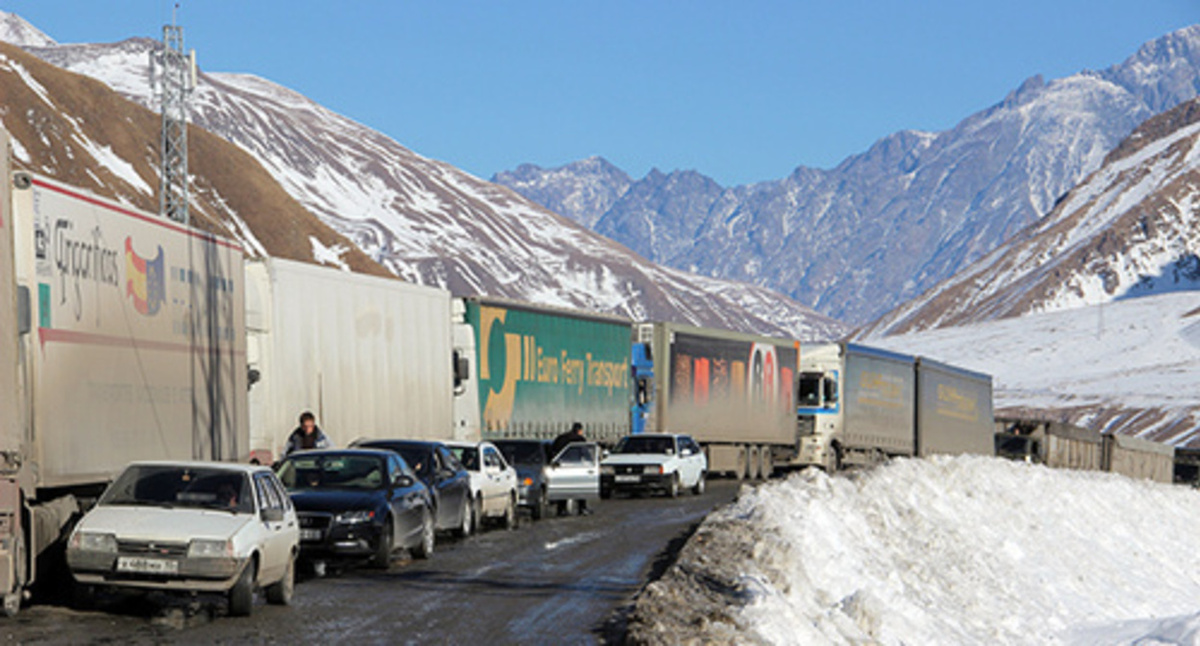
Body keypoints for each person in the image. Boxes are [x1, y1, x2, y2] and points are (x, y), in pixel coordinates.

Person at [549, 422, 592, 515]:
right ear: (580, 430)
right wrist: (590, 462)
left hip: (561, 467)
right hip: (575, 466)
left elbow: (552, 451)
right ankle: (582, 508)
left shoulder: (561, 438)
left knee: (563, 488)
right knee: (579, 488)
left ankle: (561, 509)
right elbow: (585, 453)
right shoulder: (580, 439)